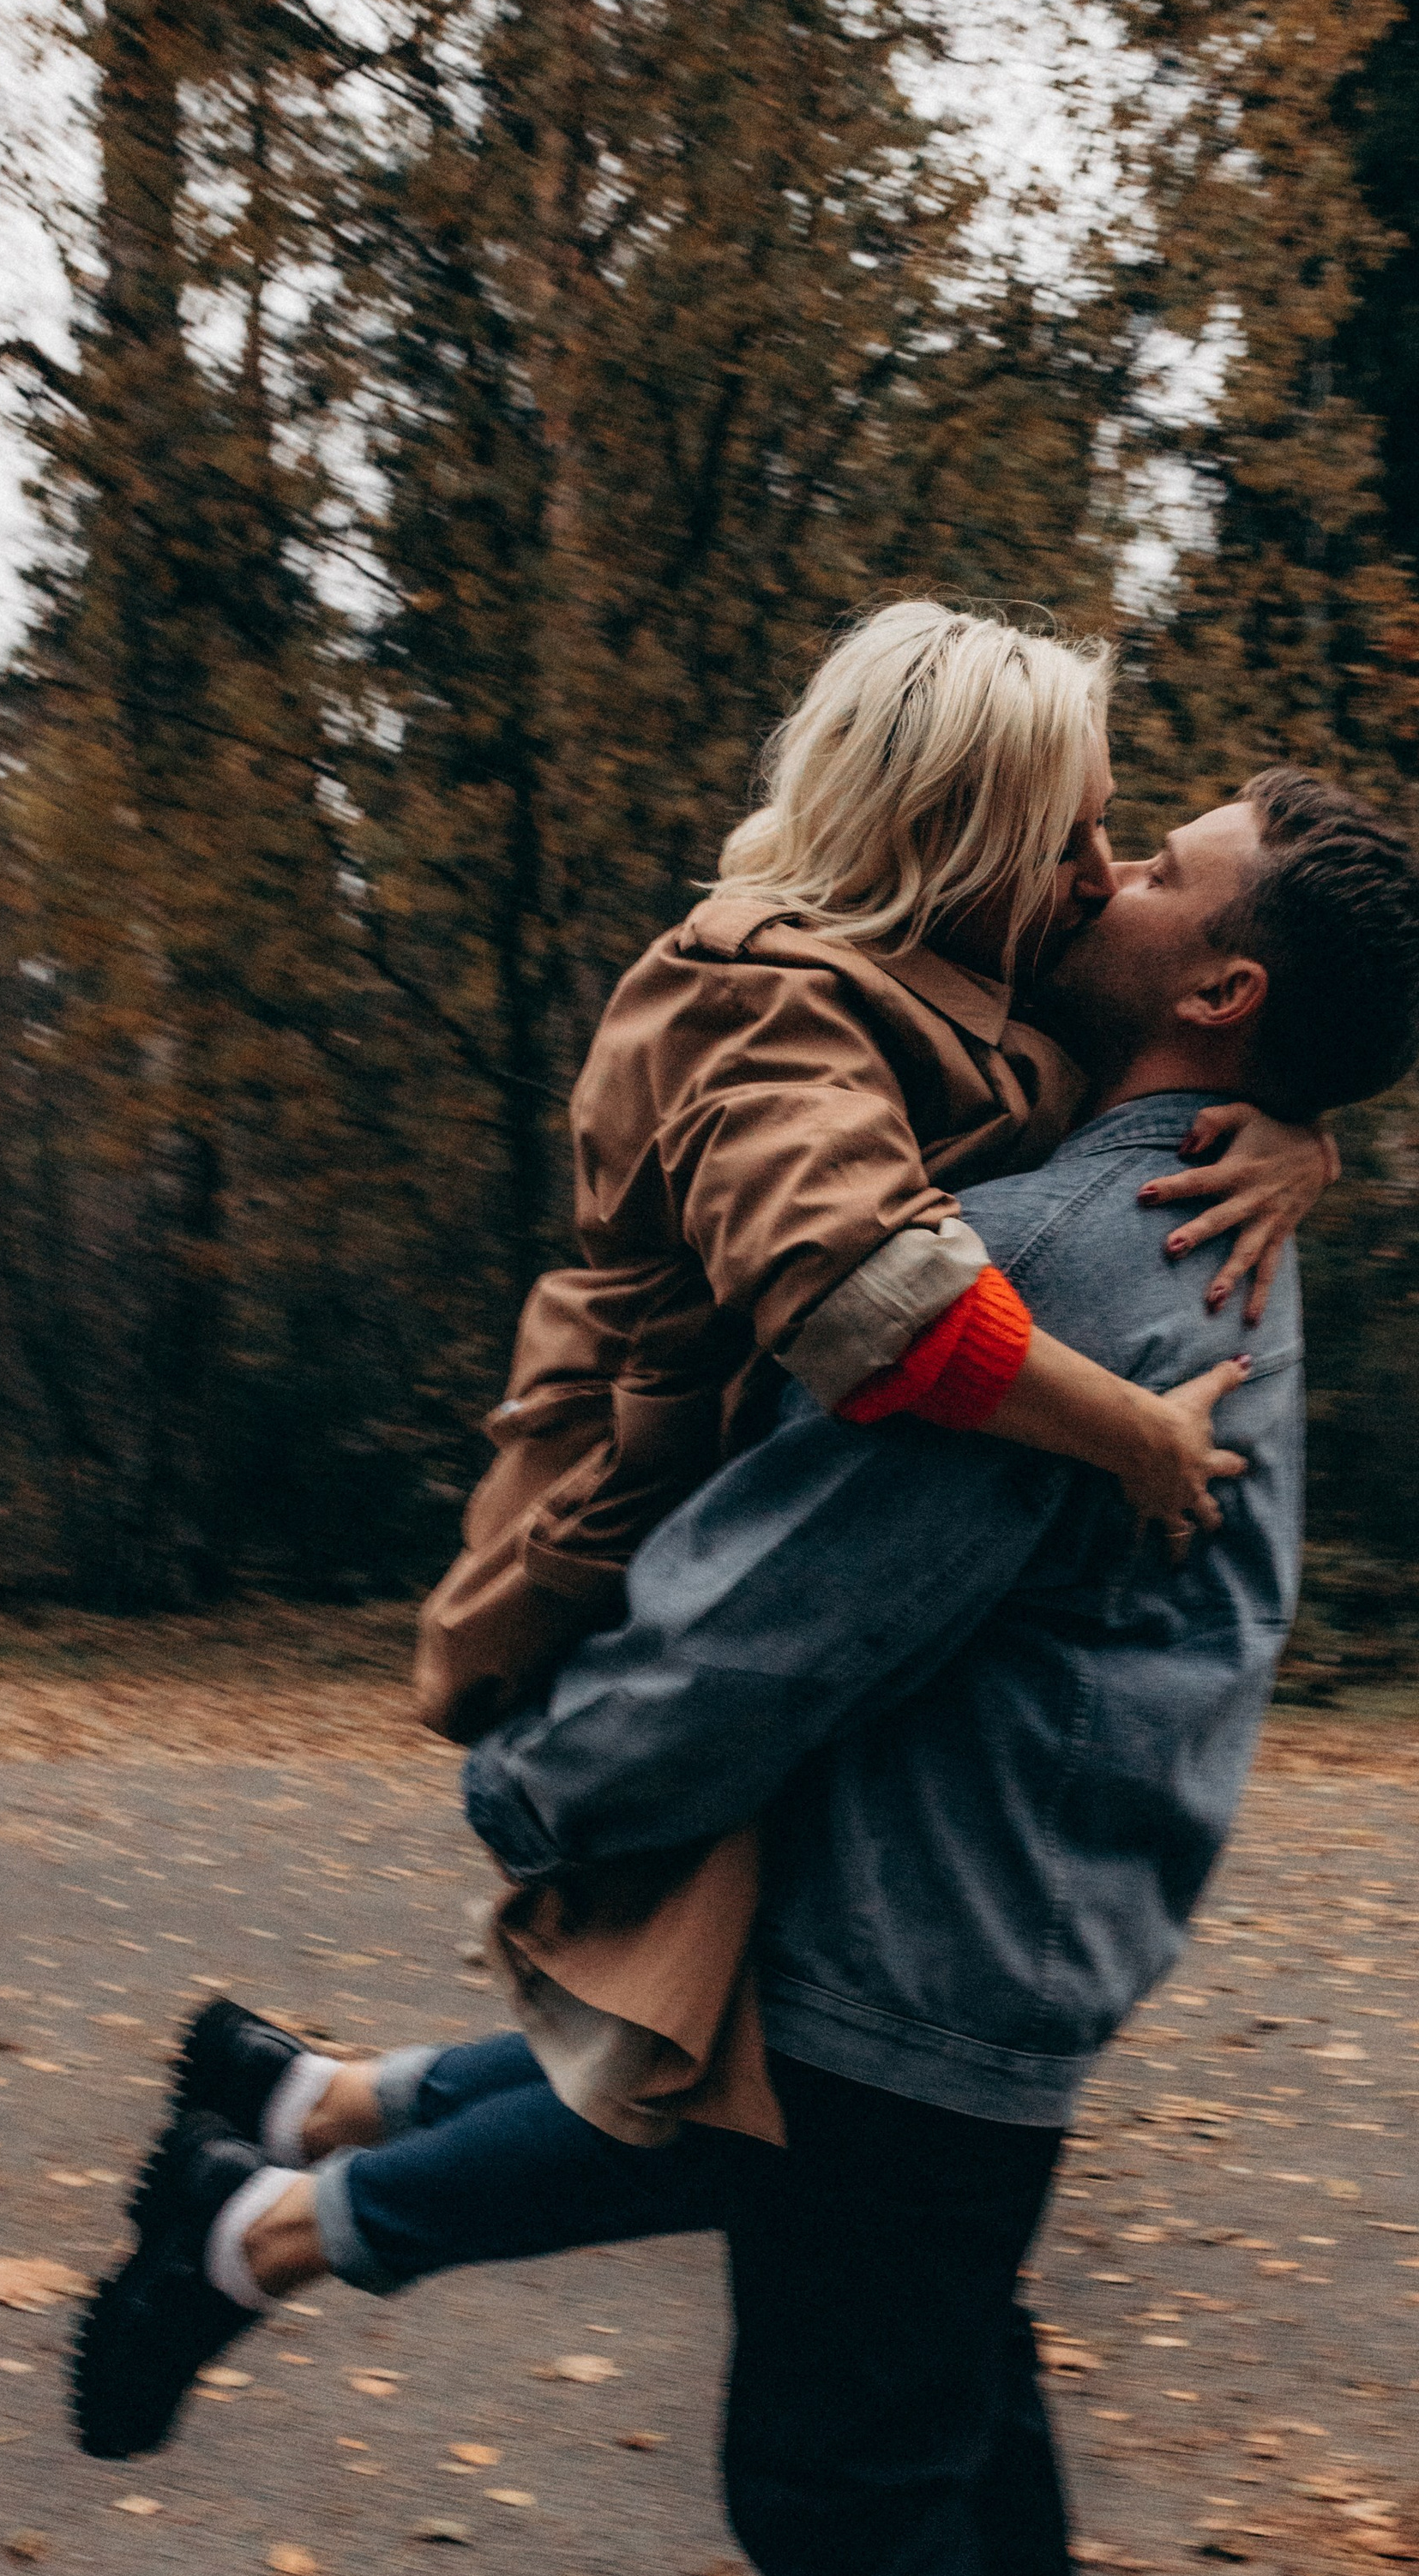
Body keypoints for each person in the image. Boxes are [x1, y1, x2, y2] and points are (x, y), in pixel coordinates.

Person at [71, 769, 1419, 2576]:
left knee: (846, 2496)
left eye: (1157, 869)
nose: (1101, 875)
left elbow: (781, 1609)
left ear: (1221, 996)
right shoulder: (1196, 1204)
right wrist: (1311, 1137)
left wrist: (538, 1789)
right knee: (944, 2402)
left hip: (923, 1957)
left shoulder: (1066, 1261)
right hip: (1014, 1940)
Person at [408, 602, 1338, 2148]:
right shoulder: (762, 998)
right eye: (1073, 837)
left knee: (702, 2059)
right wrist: (1132, 1437)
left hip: (750, 1481)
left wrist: (1298, 1134)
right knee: (687, 2049)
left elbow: (1214, 1031)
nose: (1102, 878)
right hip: (618, 1506)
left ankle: (299, 2147)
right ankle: (291, 2196)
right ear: (951, 845)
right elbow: (876, 1306)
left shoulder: (951, 967)